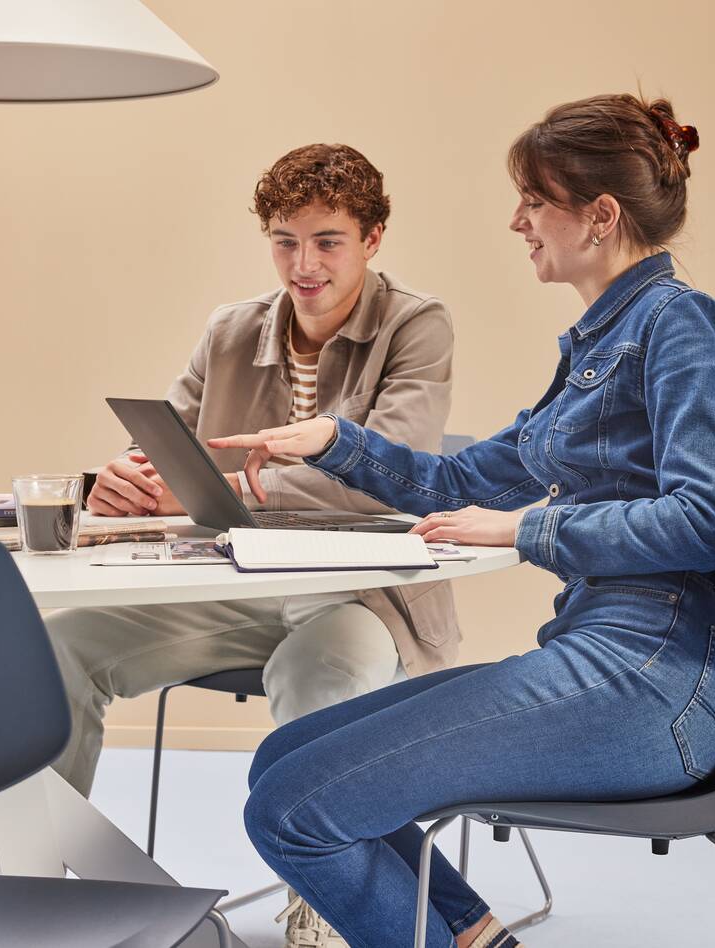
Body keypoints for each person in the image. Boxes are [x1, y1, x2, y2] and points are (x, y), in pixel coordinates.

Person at [213, 94, 715, 948]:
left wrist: (527, 531)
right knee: (283, 761)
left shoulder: (678, 325)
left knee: (290, 810)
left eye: (534, 201)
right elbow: (461, 480)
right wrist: (334, 441)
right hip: (609, 657)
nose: (517, 221)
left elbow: (708, 518)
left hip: (655, 686)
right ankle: (473, 935)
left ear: (600, 216)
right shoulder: (602, 341)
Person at [46, 144, 459, 945]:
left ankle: (326, 903)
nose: (304, 265)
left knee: (318, 674)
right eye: (284, 241)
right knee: (60, 647)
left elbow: (390, 475)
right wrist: (118, 477)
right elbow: (165, 449)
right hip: (235, 584)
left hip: (363, 597)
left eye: (328, 241)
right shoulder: (231, 330)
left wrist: (226, 490)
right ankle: (35, 882)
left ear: (373, 238)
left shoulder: (416, 324)